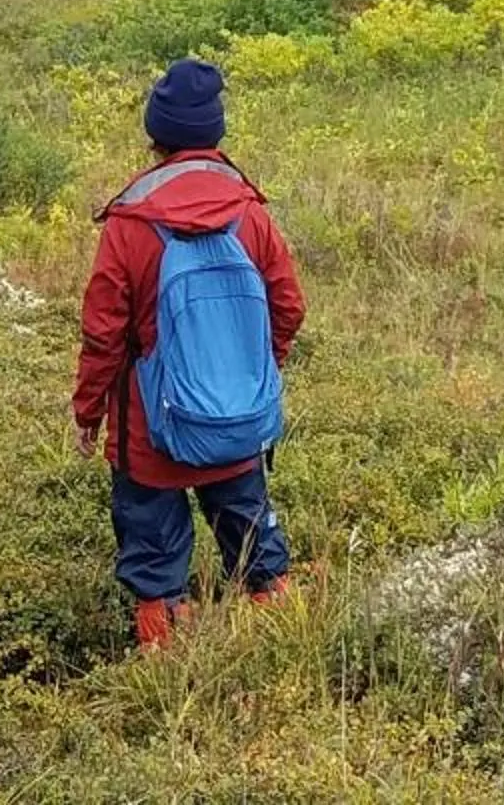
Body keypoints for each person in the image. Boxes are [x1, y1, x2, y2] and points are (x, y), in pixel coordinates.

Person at [72, 59, 306, 652]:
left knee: (150, 529)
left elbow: (103, 332)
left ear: (156, 134)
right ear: (216, 132)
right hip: (239, 420)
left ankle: (163, 636)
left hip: (152, 429)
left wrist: (88, 411)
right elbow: (289, 305)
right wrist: (258, 370)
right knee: (246, 515)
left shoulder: (129, 223)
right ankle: (277, 620)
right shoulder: (249, 213)